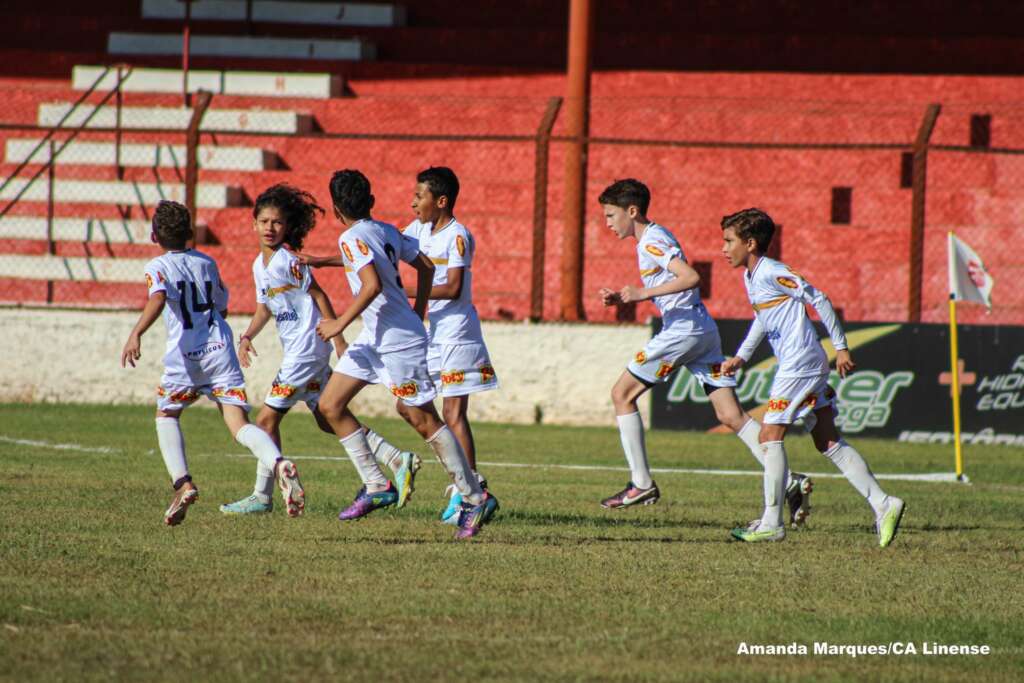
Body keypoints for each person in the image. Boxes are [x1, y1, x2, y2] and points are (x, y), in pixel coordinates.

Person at [597, 179, 811, 526]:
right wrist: (625, 297)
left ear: (631, 211)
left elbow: (691, 277)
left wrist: (640, 294)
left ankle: (641, 484)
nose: (607, 222)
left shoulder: (650, 241)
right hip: (702, 330)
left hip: (682, 331)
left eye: (610, 215)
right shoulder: (656, 235)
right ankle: (788, 481)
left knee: (622, 394)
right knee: (730, 415)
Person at [308, 169, 495, 539]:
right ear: (371, 201)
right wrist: (419, 308)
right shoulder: (386, 231)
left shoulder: (352, 237)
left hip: (397, 340)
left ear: (336, 209)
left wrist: (339, 323)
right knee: (329, 406)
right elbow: (424, 265)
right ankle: (377, 484)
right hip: (375, 336)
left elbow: (372, 285)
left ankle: (475, 497)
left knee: (421, 417)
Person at [219, 184, 419, 516]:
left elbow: (319, 295)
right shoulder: (259, 266)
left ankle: (262, 495)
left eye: (277, 222)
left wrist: (338, 340)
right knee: (328, 417)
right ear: (253, 224)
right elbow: (265, 308)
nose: (270, 228)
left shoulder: (288, 261)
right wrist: (247, 336)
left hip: (306, 350)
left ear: (287, 227)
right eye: (264, 221)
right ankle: (395, 458)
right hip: (302, 352)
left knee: (266, 419)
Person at [720, 207, 905, 546]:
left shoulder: (772, 271)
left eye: (729, 241)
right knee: (827, 440)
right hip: (802, 363)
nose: (723, 248)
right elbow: (763, 318)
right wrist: (742, 356)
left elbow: (818, 297)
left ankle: (771, 523)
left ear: (750, 243)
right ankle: (883, 503)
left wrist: (842, 347)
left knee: (769, 436)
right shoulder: (751, 277)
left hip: (800, 363)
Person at [119, 200, 303, 526]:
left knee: (167, 413)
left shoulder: (157, 266)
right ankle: (278, 463)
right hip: (220, 351)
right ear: (190, 233)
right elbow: (222, 306)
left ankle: (183, 484)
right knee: (238, 424)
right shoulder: (207, 262)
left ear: (154, 236)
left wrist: (136, 333)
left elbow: (158, 297)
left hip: (186, 358)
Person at [403, 166, 500, 525]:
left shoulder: (458, 235)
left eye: (419, 196)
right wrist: (335, 259)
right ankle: (470, 485)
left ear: (441, 201)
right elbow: (382, 248)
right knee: (409, 403)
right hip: (432, 335)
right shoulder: (417, 231)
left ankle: (470, 491)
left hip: (458, 334)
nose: (413, 203)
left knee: (453, 414)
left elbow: (454, 288)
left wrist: (401, 290)